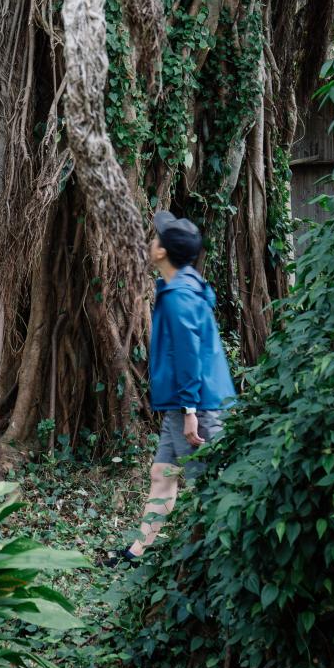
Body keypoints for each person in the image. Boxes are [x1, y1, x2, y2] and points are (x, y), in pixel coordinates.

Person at [118, 210, 236, 564]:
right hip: (184, 404)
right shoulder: (179, 287)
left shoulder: (180, 295)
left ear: (161, 253)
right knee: (162, 474)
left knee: (208, 487)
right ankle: (136, 552)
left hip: (198, 406)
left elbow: (188, 356)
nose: (151, 241)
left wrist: (189, 412)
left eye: (156, 239)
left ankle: (222, 563)